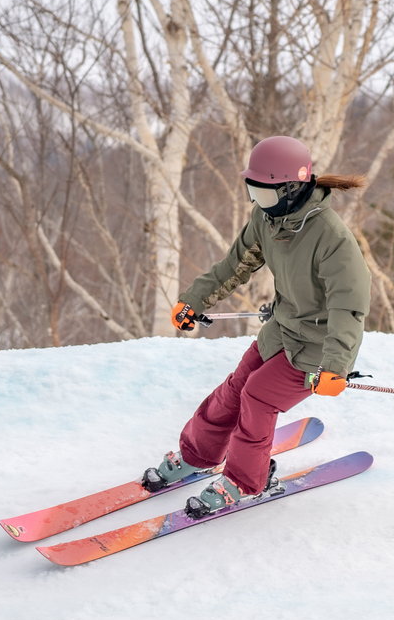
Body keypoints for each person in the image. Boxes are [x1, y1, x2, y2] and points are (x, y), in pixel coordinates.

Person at [142, 135, 372, 517]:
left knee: (258, 396)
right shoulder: (268, 219)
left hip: (317, 345)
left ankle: (249, 480)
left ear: (292, 187)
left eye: (264, 194)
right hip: (282, 329)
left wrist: (336, 365)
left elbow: (349, 306)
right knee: (235, 390)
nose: (257, 203)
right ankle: (196, 455)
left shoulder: (331, 238)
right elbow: (234, 265)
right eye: (254, 191)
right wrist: (194, 300)